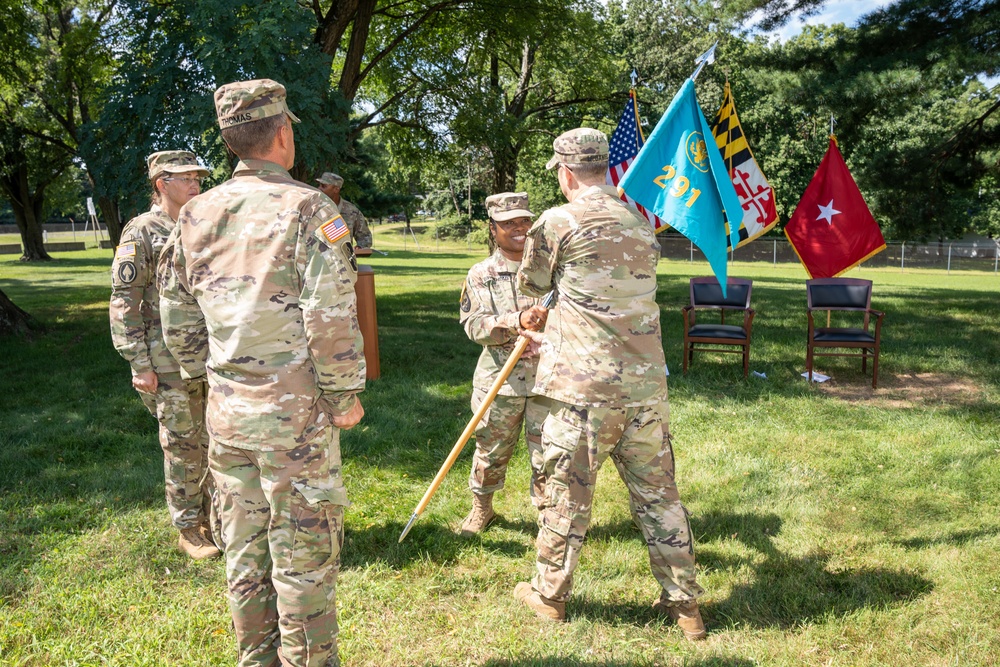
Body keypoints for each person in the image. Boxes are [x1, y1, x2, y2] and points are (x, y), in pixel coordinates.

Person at [160, 78, 365, 667]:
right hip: (295, 420)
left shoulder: (195, 212)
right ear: (281, 135)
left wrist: (206, 375)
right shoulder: (311, 208)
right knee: (304, 560)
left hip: (227, 415)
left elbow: (177, 313)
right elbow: (329, 313)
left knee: (244, 553)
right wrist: (344, 395)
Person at [512, 128, 706, 640]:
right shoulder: (640, 223)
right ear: (602, 167)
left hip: (583, 392)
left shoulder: (557, 222)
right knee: (660, 499)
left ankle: (549, 597)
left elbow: (532, 285)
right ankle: (686, 607)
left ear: (566, 172)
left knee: (566, 498)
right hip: (644, 391)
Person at [109, 150, 219, 561]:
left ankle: (216, 518)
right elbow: (125, 299)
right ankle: (189, 528)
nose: (195, 185)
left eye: (198, 178)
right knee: (182, 445)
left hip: (209, 353)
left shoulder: (201, 223)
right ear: (161, 184)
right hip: (166, 360)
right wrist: (139, 362)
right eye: (186, 178)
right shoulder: (141, 230)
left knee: (216, 439)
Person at [458, 192, 550, 535]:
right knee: (491, 450)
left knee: (550, 452)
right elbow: (473, 325)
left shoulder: (550, 270)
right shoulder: (481, 274)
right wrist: (516, 322)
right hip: (500, 380)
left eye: (525, 221)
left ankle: (549, 516)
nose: (519, 228)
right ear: (493, 228)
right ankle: (482, 509)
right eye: (509, 223)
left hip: (547, 378)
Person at [316, 172, 373, 248]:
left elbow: (365, 237)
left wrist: (359, 248)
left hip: (341, 255)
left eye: (323, 186)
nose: (319, 188)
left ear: (336, 189)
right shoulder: (313, 208)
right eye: (319, 185)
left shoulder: (352, 212)